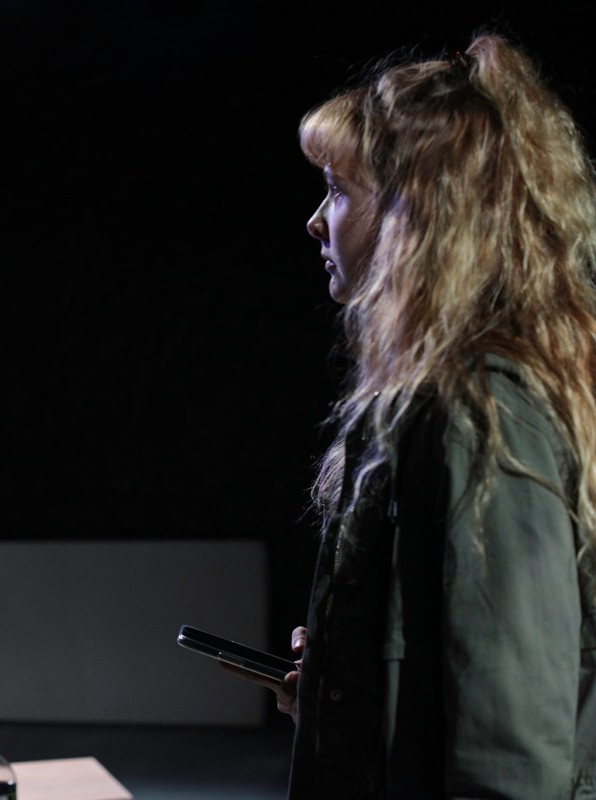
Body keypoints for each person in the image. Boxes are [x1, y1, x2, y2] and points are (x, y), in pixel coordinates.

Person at [231, 34, 596, 797]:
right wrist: (346, 683)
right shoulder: (434, 397)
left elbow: (510, 750)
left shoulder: (486, 409)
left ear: (418, 211)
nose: (315, 221)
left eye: (337, 190)